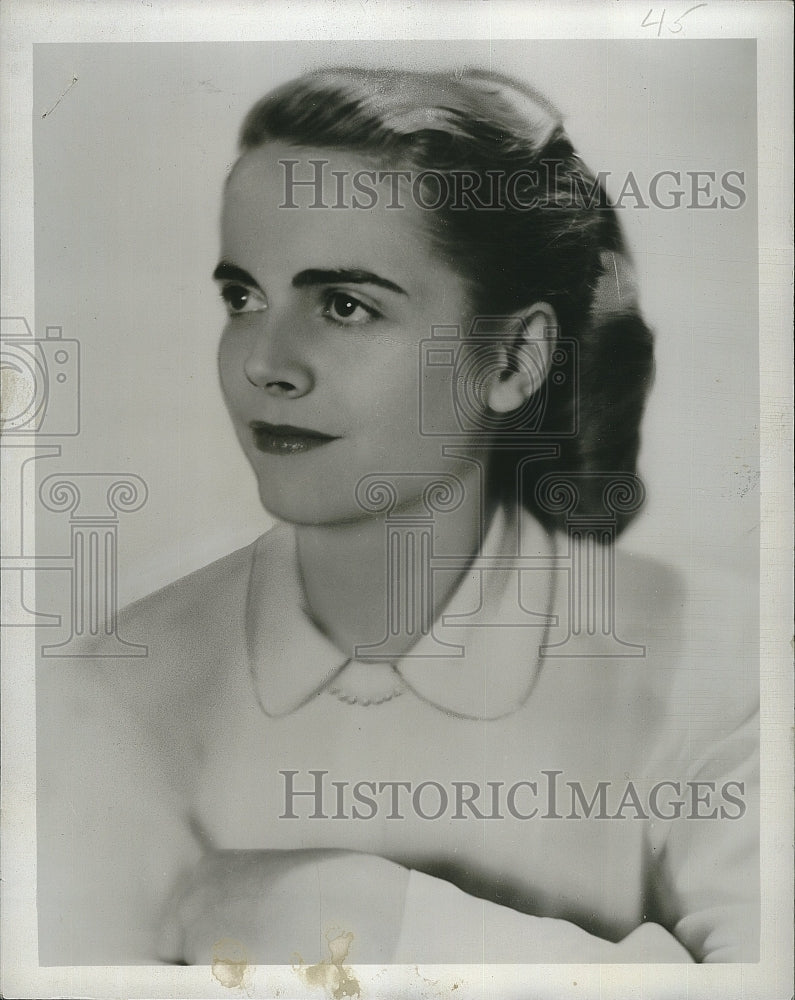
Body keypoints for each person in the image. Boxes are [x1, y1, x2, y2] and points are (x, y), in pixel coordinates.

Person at [36, 66, 758, 967]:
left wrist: (351, 920)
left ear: (513, 361)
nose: (266, 362)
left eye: (344, 304)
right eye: (243, 297)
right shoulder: (109, 694)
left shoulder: (725, 670)